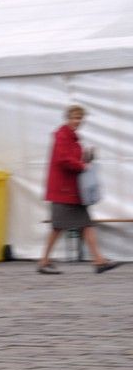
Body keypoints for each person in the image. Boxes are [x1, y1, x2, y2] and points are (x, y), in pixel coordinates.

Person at [37, 105, 119, 275]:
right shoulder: (62, 136)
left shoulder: (74, 138)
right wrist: (82, 164)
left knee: (85, 225)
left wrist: (86, 157)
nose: (77, 121)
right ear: (67, 118)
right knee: (59, 227)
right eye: (75, 118)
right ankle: (44, 262)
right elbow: (63, 160)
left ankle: (98, 261)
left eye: (80, 118)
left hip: (72, 192)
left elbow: (71, 159)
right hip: (63, 191)